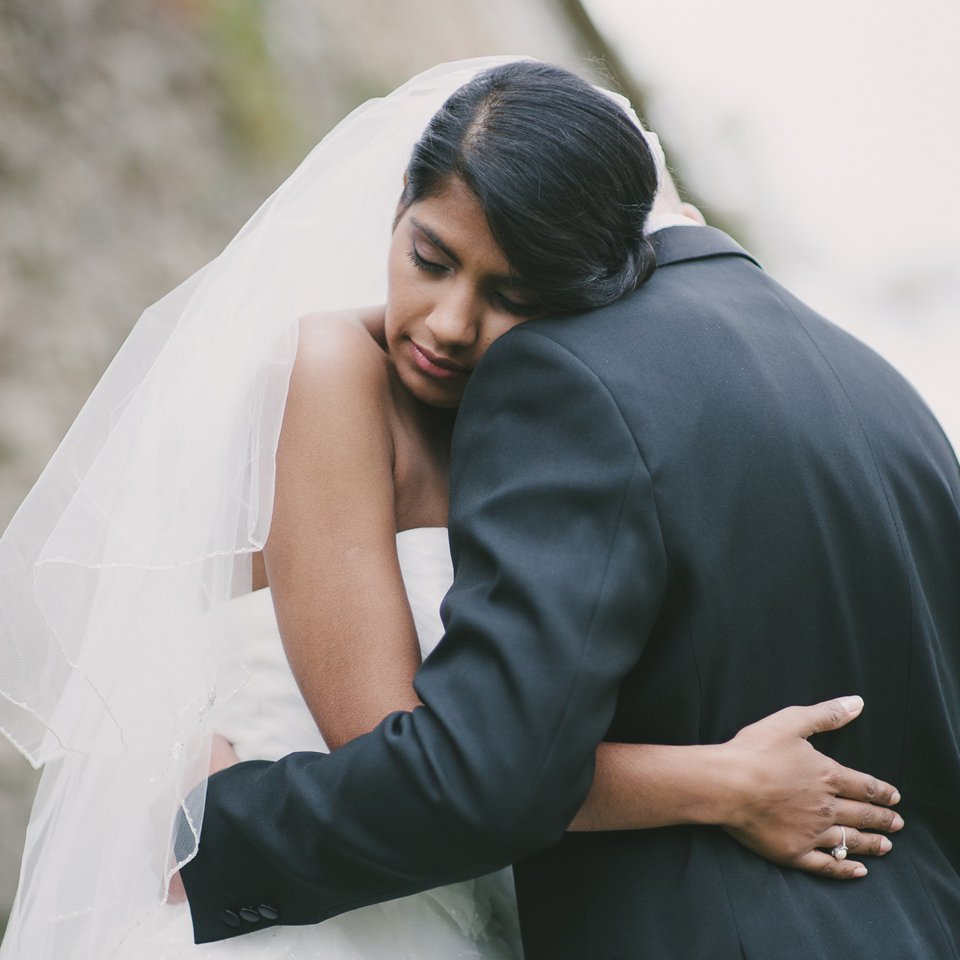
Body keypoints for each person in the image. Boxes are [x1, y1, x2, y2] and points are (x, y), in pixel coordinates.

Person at [0, 58, 902, 960]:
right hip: (327, 927)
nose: (448, 324)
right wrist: (723, 782)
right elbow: (403, 761)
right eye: (429, 260)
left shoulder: (554, 432)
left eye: (514, 295)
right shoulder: (329, 371)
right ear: (396, 205)